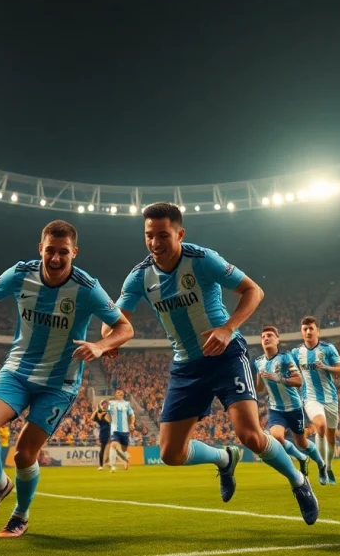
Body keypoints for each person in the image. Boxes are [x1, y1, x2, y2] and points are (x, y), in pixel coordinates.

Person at [108, 202, 318, 525]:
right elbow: (116, 321)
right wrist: (107, 340)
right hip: (185, 366)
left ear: (180, 234)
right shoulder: (139, 276)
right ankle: (224, 458)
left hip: (226, 356)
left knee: (249, 435)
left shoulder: (202, 260)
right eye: (149, 235)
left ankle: (298, 481)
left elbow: (253, 291)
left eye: (163, 235)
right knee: (170, 454)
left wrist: (227, 328)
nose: (154, 243)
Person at [0, 220, 134, 539]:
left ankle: (20, 515)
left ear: (74, 253)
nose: (56, 258)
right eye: (50, 251)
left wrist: (100, 345)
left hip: (59, 383)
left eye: (63, 253)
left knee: (23, 455)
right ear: (40, 248)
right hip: (17, 371)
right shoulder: (20, 274)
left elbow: (125, 327)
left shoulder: (87, 288)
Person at [253, 325, 326, 480]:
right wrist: (260, 377)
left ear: (277, 340)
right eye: (263, 336)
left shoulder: (285, 358)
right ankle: (301, 457)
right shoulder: (258, 362)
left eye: (270, 336)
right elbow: (260, 388)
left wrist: (279, 378)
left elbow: (299, 381)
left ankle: (321, 464)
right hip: (275, 409)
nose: (266, 338)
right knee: (277, 437)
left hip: (294, 407)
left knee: (302, 442)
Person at [288, 316, 340, 485]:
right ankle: (322, 467)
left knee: (331, 437)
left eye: (311, 328)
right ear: (301, 332)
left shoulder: (328, 349)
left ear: (317, 331)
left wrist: (326, 367)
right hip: (310, 398)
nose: (308, 331)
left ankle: (329, 467)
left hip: (330, 398)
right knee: (320, 425)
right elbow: (290, 373)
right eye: (305, 329)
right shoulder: (296, 353)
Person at [106, 389, 134, 472]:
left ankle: (126, 460)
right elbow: (108, 415)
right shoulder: (111, 404)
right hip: (115, 430)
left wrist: (132, 423)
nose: (120, 393)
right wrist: (110, 423)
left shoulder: (127, 404)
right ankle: (113, 466)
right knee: (113, 445)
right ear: (115, 394)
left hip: (125, 431)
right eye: (118, 392)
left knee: (124, 450)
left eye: (121, 392)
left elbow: (132, 415)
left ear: (123, 394)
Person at [93, 400, 110, 471]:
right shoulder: (99, 416)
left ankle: (108, 462)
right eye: (104, 404)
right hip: (104, 433)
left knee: (113, 447)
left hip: (111, 432)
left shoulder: (107, 413)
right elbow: (92, 418)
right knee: (103, 449)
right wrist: (97, 409)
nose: (105, 405)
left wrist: (99, 408)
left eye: (106, 404)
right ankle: (101, 465)